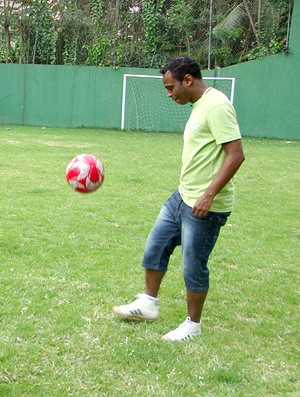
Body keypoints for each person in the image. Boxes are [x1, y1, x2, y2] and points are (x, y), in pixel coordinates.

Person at [113, 55, 245, 341]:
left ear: (188, 80)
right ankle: (148, 303)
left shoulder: (217, 105)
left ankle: (192, 325)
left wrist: (209, 194)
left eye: (171, 87)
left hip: (205, 206)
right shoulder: (199, 105)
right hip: (182, 196)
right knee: (155, 246)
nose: (169, 94)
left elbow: (236, 155)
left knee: (193, 265)